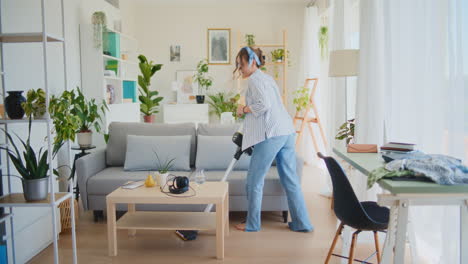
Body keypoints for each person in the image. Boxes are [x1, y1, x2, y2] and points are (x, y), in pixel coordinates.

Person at [233, 46, 313, 232]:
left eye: (242, 64)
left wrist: (243, 109)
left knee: (254, 179)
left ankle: (252, 224)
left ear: (253, 62)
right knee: (290, 179)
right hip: (286, 131)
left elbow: (264, 105)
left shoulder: (254, 80)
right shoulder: (267, 78)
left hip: (271, 134)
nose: (240, 68)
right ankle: (302, 223)